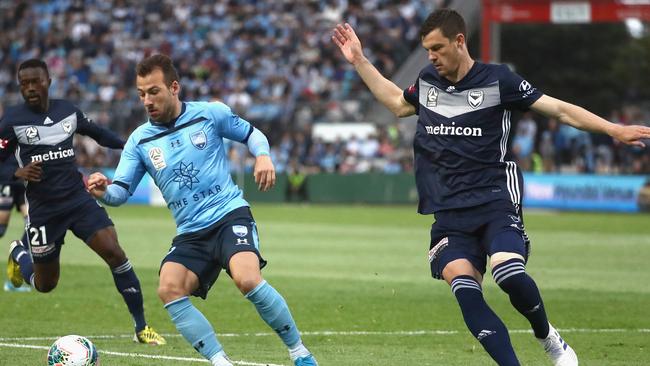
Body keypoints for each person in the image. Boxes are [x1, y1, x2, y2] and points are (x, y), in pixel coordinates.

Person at [332, 8, 650, 366]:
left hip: (494, 199)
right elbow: (396, 103)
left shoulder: (500, 81)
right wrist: (359, 60)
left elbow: (558, 110)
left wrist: (613, 129)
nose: (431, 56)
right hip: (449, 212)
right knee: (467, 291)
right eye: (427, 50)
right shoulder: (427, 81)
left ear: (459, 41)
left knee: (508, 273)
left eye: (437, 48)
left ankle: (548, 337)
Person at [87, 54, 318, 366]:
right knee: (169, 288)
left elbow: (252, 134)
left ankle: (300, 354)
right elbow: (120, 193)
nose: (147, 101)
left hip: (228, 215)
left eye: (153, 91)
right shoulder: (139, 141)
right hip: (191, 232)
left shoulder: (210, 113)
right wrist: (103, 192)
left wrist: (262, 155)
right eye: (141, 94)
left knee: (247, 279)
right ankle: (220, 362)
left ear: (174, 87)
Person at [0, 58, 165, 345]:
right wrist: (16, 171)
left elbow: (99, 135)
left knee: (116, 253)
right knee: (46, 285)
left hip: (78, 200)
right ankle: (18, 253)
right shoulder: (12, 121)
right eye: (24, 84)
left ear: (48, 81)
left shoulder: (68, 112)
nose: (30, 88)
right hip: (43, 210)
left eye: (35, 81)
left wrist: (133, 145)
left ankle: (141, 327)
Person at [0, 154, 30, 292]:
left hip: (22, 184)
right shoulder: (5, 134)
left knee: (32, 224)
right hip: (6, 182)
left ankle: (19, 257)